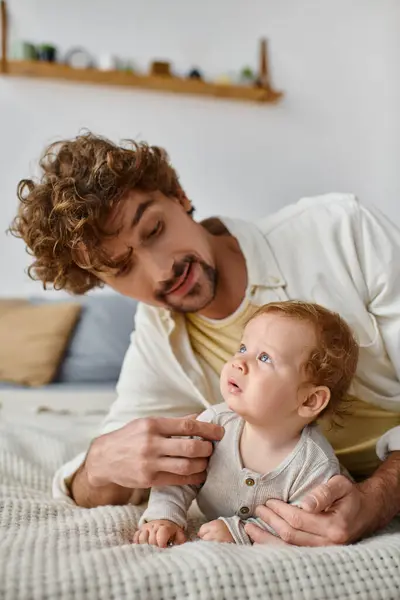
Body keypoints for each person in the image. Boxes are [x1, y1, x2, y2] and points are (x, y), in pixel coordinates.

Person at [10, 132, 400, 548]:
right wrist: (99, 465)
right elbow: (103, 479)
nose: (162, 270)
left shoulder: (342, 232)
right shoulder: (160, 338)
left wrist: (376, 499)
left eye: (154, 229)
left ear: (178, 195)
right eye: (122, 268)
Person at [134, 301, 358, 548]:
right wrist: (165, 517)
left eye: (264, 357)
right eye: (242, 348)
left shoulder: (314, 465)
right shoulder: (214, 426)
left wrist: (241, 531)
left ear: (309, 400)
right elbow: (178, 478)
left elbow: (303, 523)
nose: (239, 362)